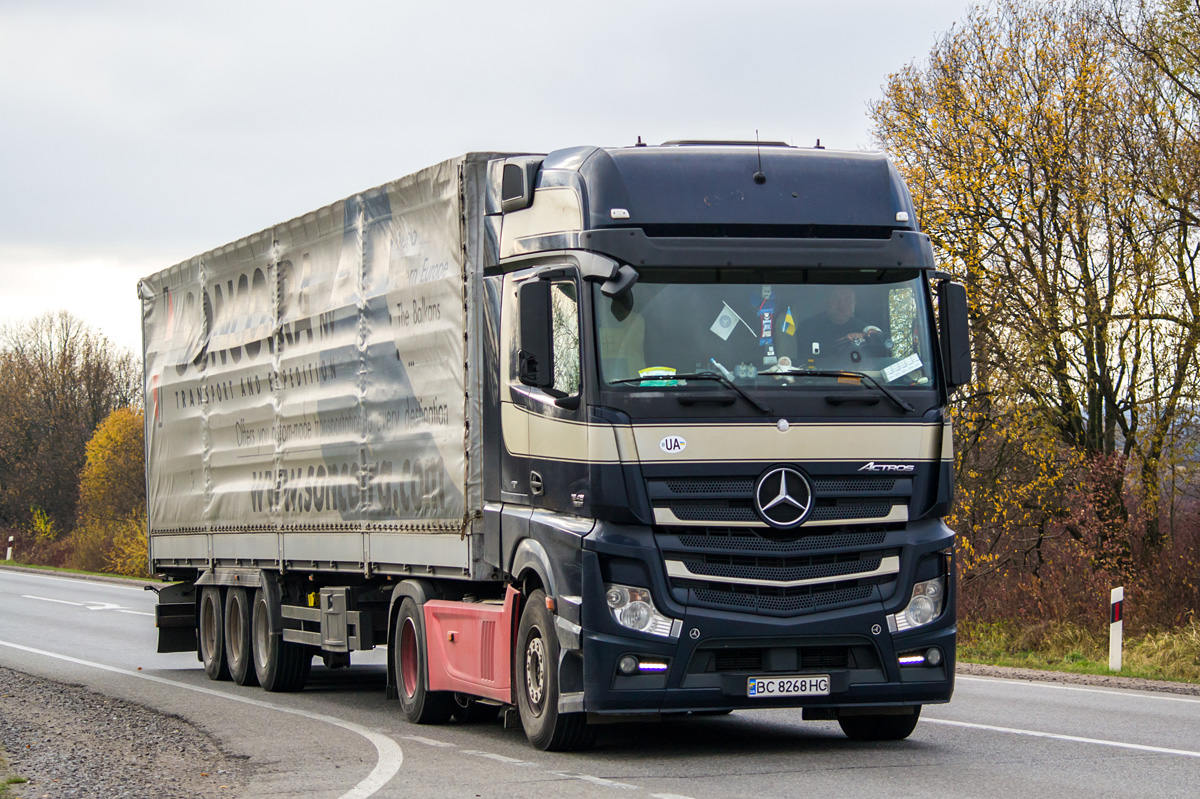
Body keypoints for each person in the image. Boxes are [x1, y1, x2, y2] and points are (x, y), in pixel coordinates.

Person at [794, 285, 889, 360]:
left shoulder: (864, 329)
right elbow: (803, 358)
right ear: (826, 301)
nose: (842, 304)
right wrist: (842, 342)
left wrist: (871, 336)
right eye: (835, 299)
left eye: (847, 299)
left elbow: (880, 357)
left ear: (854, 303)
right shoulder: (807, 327)